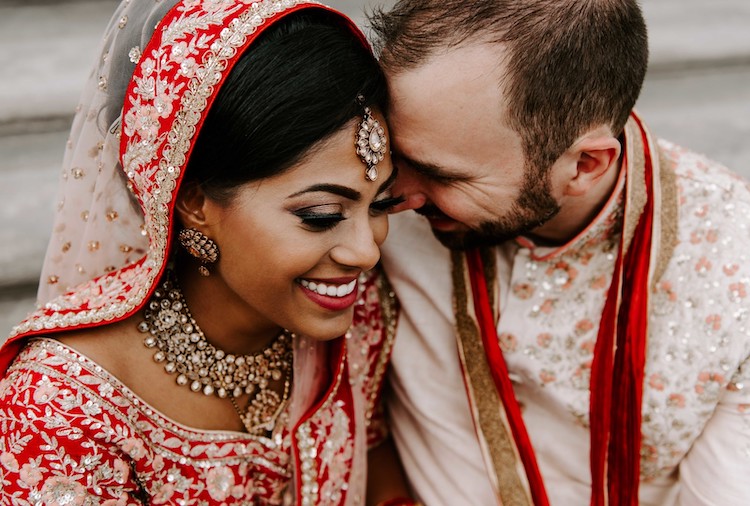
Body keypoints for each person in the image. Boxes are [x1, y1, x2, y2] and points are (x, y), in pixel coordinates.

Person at [0, 1, 418, 504]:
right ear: (193, 201)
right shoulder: (62, 409)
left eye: (382, 204)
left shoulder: (361, 315)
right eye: (322, 215)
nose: (365, 253)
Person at [368, 0, 750, 505]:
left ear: (586, 164)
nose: (396, 197)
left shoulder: (734, 269)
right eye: (394, 156)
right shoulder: (363, 198)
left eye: (442, 175)